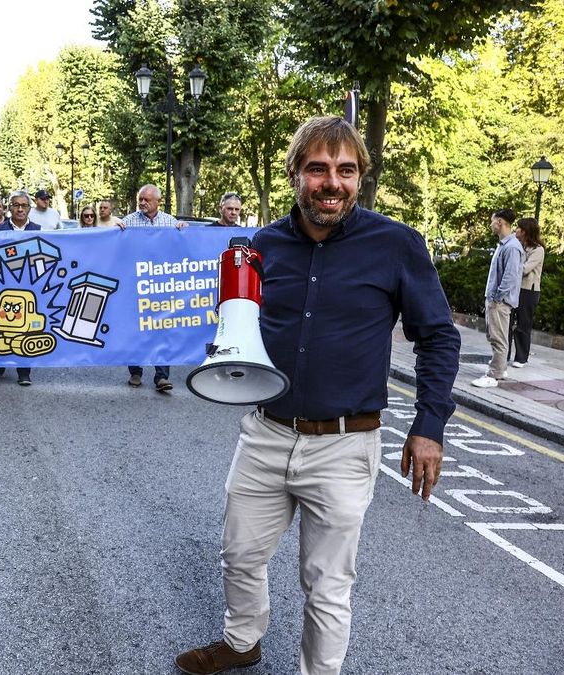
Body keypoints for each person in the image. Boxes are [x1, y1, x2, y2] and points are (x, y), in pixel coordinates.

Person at [173, 116, 460, 675]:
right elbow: (244, 327)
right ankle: (242, 640)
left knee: (327, 585)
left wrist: (429, 426)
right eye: (318, 169)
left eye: (346, 170)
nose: (333, 182)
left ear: (359, 178)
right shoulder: (263, 245)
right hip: (266, 433)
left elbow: (440, 337)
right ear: (295, 176)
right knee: (239, 555)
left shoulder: (397, 245)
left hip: (345, 445)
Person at [122, 184, 185, 391]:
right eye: (140, 199)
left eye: (146, 200)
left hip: (160, 286)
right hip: (135, 284)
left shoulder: (171, 222)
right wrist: (114, 229)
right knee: (135, 329)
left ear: (158, 201)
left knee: (162, 329)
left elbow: (181, 249)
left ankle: (161, 376)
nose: (142, 203)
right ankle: (136, 372)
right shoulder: (128, 222)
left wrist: (184, 233)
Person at [471, 208, 523, 388]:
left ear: (500, 222)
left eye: (493, 221)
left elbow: (510, 277)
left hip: (499, 302)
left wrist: (497, 298)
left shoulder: (512, 247)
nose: (490, 224)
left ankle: (495, 374)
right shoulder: (505, 245)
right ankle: (500, 368)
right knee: (494, 335)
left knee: (498, 338)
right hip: (495, 300)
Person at [0, 190, 39, 386]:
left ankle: (24, 372)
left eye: (24, 205)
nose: (20, 209)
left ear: (29, 208)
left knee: (25, 328)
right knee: (2, 324)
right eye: (16, 205)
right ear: (9, 207)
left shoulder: (39, 229)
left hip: (28, 286)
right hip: (4, 285)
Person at [510, 217, 545, 367]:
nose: (515, 230)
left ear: (525, 232)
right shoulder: (516, 245)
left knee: (523, 324)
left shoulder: (538, 250)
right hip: (514, 288)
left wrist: (510, 267)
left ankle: (521, 357)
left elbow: (524, 269)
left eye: (518, 228)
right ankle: (503, 355)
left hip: (528, 291)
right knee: (507, 322)